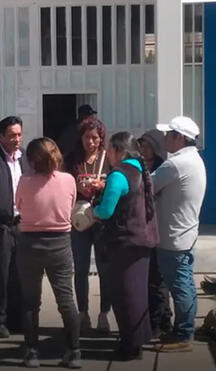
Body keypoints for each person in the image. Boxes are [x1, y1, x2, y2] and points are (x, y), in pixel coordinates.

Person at [15, 137, 81, 368]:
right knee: (66, 301)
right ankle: (73, 351)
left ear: (32, 160)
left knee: (31, 302)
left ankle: (32, 352)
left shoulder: (24, 181)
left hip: (30, 244)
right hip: (61, 243)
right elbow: (71, 205)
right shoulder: (69, 179)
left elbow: (19, 205)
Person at [93, 132, 159, 361]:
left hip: (123, 243)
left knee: (124, 295)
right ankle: (138, 341)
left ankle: (129, 346)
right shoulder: (141, 169)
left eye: (110, 150)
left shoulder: (118, 174)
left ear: (119, 151)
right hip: (143, 240)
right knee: (138, 294)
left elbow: (106, 210)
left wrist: (92, 211)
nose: (108, 155)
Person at [153, 116, 206, 352]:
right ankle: (184, 329)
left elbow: (147, 186)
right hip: (185, 234)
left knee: (181, 286)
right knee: (185, 284)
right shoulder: (194, 160)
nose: (165, 138)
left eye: (168, 134)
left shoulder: (175, 164)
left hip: (173, 238)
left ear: (180, 138)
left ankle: (184, 334)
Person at [63, 117, 111, 333]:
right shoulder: (72, 159)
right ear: (80, 138)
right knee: (81, 268)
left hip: (102, 222)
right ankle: (83, 314)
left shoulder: (108, 158)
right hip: (79, 221)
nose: (91, 142)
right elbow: (62, 186)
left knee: (105, 269)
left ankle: (104, 314)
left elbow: (117, 184)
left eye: (95, 138)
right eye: (87, 138)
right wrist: (77, 187)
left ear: (102, 139)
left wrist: (102, 185)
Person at [0, 116, 30, 337]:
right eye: (12, 135)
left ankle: (17, 319)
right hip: (0, 226)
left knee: (19, 274)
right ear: (1, 136)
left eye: (19, 134)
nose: (17, 139)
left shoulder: (25, 159)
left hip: (21, 224)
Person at [138, 130, 172, 338]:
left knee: (157, 279)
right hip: (143, 228)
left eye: (148, 146)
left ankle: (161, 322)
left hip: (156, 227)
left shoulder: (161, 168)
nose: (144, 149)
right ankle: (157, 320)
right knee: (149, 278)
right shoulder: (141, 166)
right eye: (141, 145)